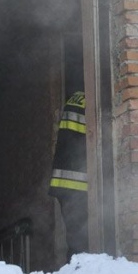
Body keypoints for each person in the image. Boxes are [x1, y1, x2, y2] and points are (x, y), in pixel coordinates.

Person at [49, 90, 88, 257]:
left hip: (64, 183)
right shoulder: (91, 100)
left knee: (75, 240)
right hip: (78, 184)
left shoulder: (76, 98)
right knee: (81, 242)